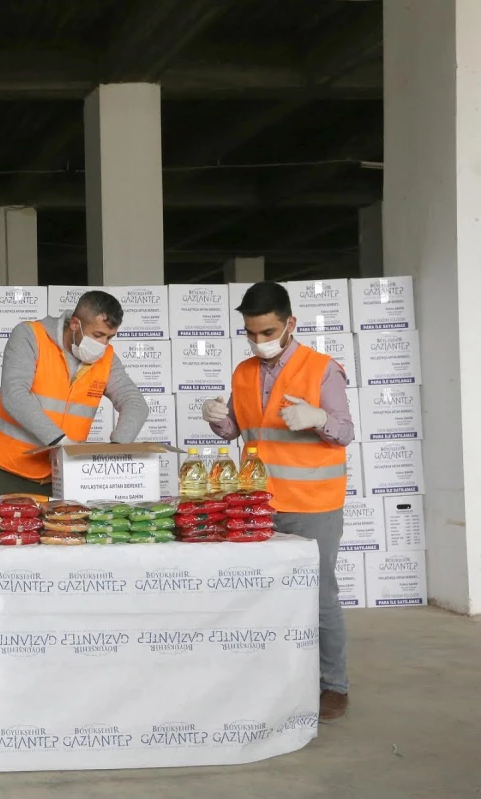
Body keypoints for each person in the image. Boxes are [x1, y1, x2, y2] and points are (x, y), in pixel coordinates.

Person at [202, 280, 353, 723]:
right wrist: (218, 419)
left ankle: (333, 686)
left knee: (319, 595)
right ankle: (269, 676)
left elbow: (344, 430)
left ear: (290, 324)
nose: (259, 342)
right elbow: (238, 431)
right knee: (263, 594)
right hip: (257, 504)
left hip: (312, 503)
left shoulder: (322, 369)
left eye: (267, 333)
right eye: (251, 333)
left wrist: (320, 417)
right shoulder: (243, 372)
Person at [0, 290, 149, 505]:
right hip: (7, 473)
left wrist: (114, 452)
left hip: (62, 479)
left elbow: (136, 404)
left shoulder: (106, 359)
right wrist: (61, 443)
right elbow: (14, 394)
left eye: (109, 337)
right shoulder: (30, 336)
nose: (104, 344)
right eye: (97, 335)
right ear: (75, 324)